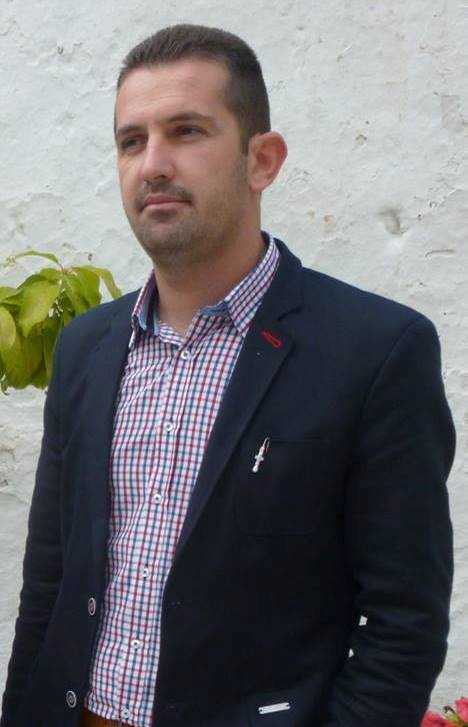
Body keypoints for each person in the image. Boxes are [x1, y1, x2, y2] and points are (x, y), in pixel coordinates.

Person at [1, 23, 456, 727]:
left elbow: (405, 619)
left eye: (186, 131)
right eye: (131, 141)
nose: (153, 164)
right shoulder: (87, 347)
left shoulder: (376, 351)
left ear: (262, 160)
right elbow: (50, 581)